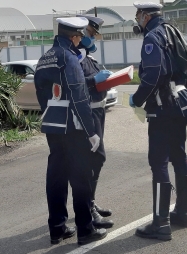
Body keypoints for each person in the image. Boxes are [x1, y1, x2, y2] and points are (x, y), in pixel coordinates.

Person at [128, 2, 187, 241]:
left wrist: (137, 99)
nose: (137, 18)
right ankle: (182, 212)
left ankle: (161, 223)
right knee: (179, 155)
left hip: (162, 108)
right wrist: (180, 91)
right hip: (181, 104)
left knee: (158, 162)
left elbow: (153, 74)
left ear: (146, 16)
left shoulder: (153, 37)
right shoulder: (175, 31)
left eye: (138, 15)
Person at [34, 17, 108, 245]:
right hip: (73, 127)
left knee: (56, 177)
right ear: (74, 37)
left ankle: (57, 228)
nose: (80, 42)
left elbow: (41, 94)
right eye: (79, 37)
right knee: (81, 177)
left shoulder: (45, 57)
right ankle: (85, 230)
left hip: (53, 124)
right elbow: (78, 98)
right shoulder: (69, 58)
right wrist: (91, 132)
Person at [76, 15, 114, 229]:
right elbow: (78, 85)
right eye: (90, 34)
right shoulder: (77, 58)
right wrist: (95, 80)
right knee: (92, 160)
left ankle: (90, 202)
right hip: (87, 116)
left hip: (98, 114)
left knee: (96, 160)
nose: (93, 39)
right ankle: (87, 207)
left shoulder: (89, 58)